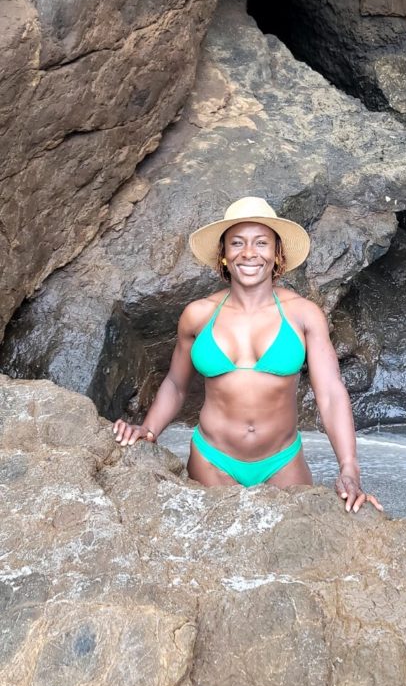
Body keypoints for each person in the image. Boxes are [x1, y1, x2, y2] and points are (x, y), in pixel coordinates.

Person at [112, 196, 382, 514]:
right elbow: (175, 383)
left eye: (261, 243)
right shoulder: (198, 315)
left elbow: (331, 394)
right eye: (237, 243)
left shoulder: (303, 314)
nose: (249, 253)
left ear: (277, 254)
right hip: (212, 460)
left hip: (283, 462)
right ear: (224, 255)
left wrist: (349, 468)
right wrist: (150, 429)